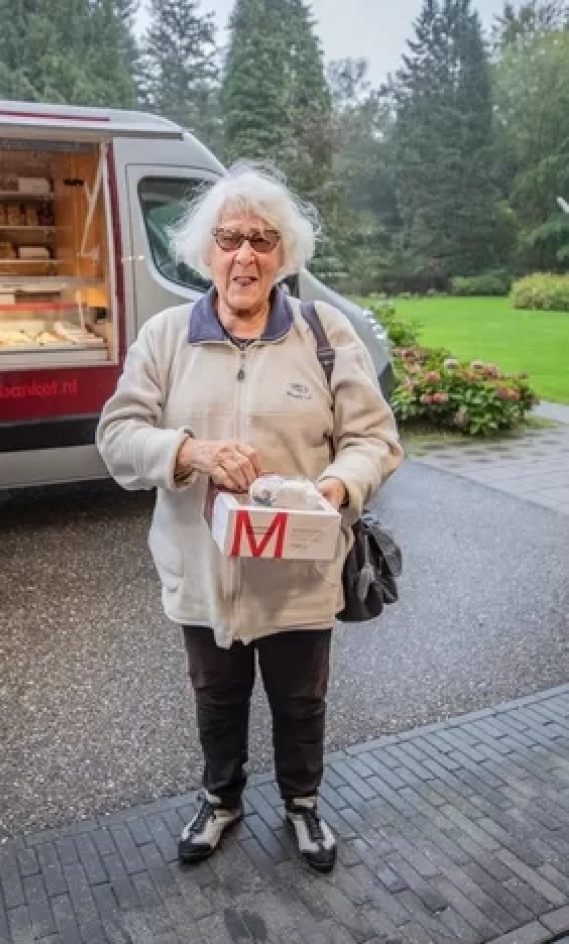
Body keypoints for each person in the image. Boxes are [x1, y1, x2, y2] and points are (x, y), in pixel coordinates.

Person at [95, 162, 402, 872]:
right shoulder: (167, 337)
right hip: (203, 573)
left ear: (284, 255)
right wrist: (189, 450)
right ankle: (221, 799)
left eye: (263, 240)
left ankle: (303, 804)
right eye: (230, 239)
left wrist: (335, 486)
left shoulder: (324, 334)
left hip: (297, 573)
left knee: (301, 701)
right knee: (216, 699)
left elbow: (374, 439)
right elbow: (116, 438)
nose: (245, 256)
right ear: (205, 253)